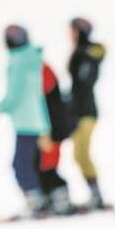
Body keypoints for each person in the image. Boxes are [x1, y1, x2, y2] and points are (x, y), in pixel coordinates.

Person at [0, 24, 52, 214]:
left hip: (25, 122)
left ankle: (36, 202)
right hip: (37, 120)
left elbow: (15, 95)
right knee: (29, 164)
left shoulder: (17, 62)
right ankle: (40, 200)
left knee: (21, 165)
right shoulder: (33, 59)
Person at [67, 17, 108, 209]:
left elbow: (83, 82)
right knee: (80, 155)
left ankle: (96, 196)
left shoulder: (86, 52)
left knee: (81, 155)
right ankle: (96, 195)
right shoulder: (85, 52)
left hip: (83, 112)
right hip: (81, 110)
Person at [39, 61, 76, 215]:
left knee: (48, 167)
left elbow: (46, 98)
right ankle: (52, 200)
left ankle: (62, 202)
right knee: (43, 166)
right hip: (50, 127)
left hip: (53, 129)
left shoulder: (42, 70)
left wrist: (46, 131)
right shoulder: (39, 68)